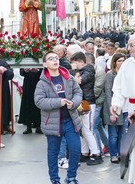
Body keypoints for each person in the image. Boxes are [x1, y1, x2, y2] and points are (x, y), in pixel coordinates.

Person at [34, 51, 82, 184]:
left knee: (75, 149)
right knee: (53, 153)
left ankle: (71, 177)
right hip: (53, 123)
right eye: (51, 59)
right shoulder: (42, 83)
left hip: (70, 121)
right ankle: (55, 179)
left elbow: (78, 92)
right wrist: (58, 102)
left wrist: (74, 102)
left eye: (56, 58)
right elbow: (39, 101)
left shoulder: (68, 77)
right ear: (45, 64)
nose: (55, 60)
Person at [70, 51, 103, 165]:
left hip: (87, 102)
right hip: (82, 102)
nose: (73, 65)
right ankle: (85, 153)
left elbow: (78, 81)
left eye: (74, 63)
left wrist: (74, 71)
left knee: (88, 128)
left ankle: (96, 154)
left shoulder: (89, 69)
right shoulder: (82, 70)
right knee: (83, 129)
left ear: (80, 61)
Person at [110, 34, 135, 183]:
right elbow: (118, 88)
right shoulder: (127, 64)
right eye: (129, 45)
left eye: (132, 45)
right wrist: (116, 104)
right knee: (131, 148)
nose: (129, 48)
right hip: (130, 108)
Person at [103, 53, 126, 163]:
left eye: (123, 61)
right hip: (113, 107)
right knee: (113, 135)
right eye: (119, 61)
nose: (121, 63)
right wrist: (111, 111)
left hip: (125, 107)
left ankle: (121, 153)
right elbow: (108, 93)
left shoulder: (126, 74)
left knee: (122, 134)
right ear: (114, 62)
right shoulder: (110, 75)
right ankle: (113, 154)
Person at [18, 68, 42, 134]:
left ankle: (38, 126)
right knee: (27, 104)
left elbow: (44, 71)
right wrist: (25, 71)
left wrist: (38, 71)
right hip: (27, 83)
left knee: (38, 103)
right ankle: (28, 126)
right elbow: (21, 72)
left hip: (38, 82)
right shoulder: (24, 59)